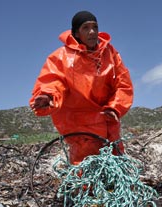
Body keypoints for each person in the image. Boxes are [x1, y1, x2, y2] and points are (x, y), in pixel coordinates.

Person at [30, 10, 134, 165]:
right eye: (86, 28)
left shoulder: (110, 53)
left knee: (116, 161)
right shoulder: (61, 57)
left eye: (95, 27)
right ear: (76, 33)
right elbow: (53, 80)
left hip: (107, 119)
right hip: (79, 123)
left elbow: (123, 83)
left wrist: (115, 108)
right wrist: (48, 96)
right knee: (85, 167)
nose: (92, 32)